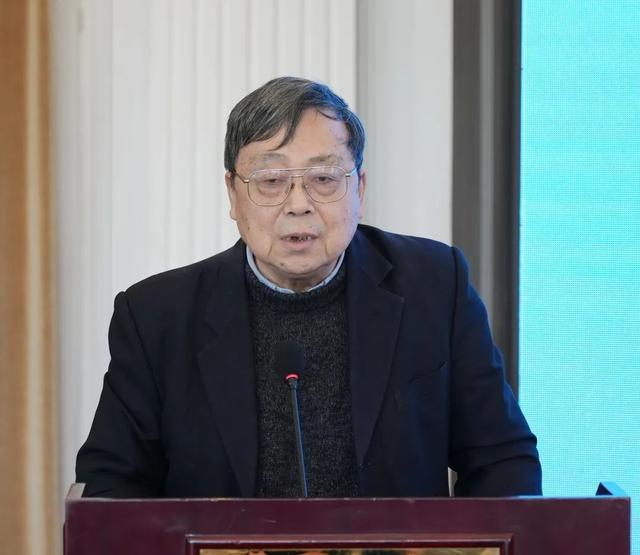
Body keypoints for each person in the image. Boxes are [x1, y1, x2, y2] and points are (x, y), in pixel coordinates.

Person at [76, 76, 542, 498]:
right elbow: (111, 488)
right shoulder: (157, 316)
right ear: (233, 194)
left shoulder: (435, 286)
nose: (298, 204)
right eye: (271, 180)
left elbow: (502, 460)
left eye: (323, 179)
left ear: (359, 188)